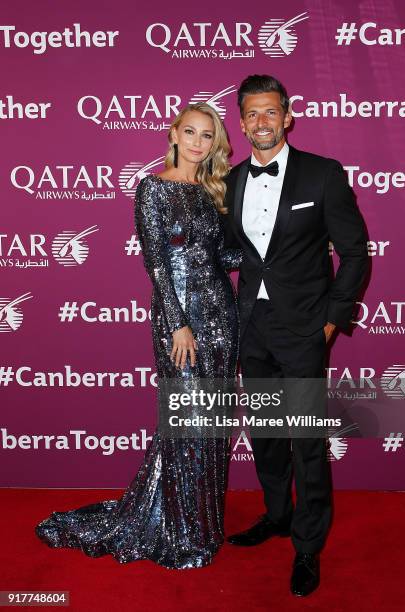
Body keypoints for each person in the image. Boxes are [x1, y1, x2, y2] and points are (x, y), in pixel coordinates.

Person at [35, 103, 242, 569]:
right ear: (173, 133)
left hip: (221, 317)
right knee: (185, 421)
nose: (196, 142)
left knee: (210, 423)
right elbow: (157, 265)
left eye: (207, 135)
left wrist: (287, 251)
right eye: (189, 131)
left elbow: (224, 257)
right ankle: (179, 528)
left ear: (216, 143)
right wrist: (179, 324)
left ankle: (202, 523)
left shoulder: (214, 191)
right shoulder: (153, 188)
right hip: (181, 322)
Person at [221, 75, 368, 596]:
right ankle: (277, 515)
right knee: (264, 434)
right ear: (240, 122)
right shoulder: (232, 180)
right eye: (251, 115)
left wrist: (331, 321)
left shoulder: (323, 175)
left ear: (287, 116)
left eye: (270, 113)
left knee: (306, 440)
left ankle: (307, 546)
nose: (261, 123)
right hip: (252, 330)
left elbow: (354, 253)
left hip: (304, 328)